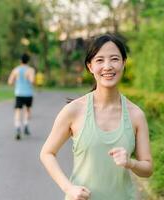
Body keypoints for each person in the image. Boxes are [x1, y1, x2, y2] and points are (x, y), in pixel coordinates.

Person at [40, 34, 153, 200]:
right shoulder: (74, 110)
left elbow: (148, 168)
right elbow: (47, 153)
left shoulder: (136, 115)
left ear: (123, 63)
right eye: (99, 60)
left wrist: (130, 163)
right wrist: (69, 188)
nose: (107, 66)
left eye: (114, 59)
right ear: (90, 66)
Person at [8, 53, 35, 140]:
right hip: (28, 94)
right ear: (28, 61)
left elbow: (10, 82)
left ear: (20, 61)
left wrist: (17, 82)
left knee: (18, 111)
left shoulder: (15, 70)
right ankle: (26, 125)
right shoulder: (30, 70)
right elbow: (32, 81)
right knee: (28, 110)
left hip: (19, 93)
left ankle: (18, 128)